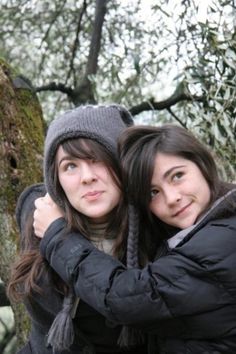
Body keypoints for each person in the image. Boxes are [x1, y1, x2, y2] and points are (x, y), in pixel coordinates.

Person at [34, 124, 236, 354]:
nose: (171, 198)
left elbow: (126, 297)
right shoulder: (188, 233)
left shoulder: (224, 240)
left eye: (177, 176)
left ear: (203, 165)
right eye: (153, 192)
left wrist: (58, 237)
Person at [7, 105, 148, 354]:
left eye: (97, 159)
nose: (86, 177)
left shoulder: (156, 233)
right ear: (56, 179)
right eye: (70, 166)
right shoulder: (38, 219)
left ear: (123, 163)